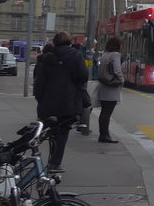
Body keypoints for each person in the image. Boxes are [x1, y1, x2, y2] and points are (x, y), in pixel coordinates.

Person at [32, 32, 88, 172]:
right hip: (68, 101)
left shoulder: (47, 58)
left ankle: (52, 158)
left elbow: (40, 82)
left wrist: (40, 99)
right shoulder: (76, 55)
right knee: (63, 132)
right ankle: (55, 163)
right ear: (69, 42)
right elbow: (83, 76)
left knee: (52, 130)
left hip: (49, 101)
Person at [94, 35, 124, 143]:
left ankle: (103, 134)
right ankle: (104, 135)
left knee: (104, 112)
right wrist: (121, 80)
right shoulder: (116, 55)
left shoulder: (105, 55)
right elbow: (117, 70)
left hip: (104, 85)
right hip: (112, 87)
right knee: (107, 113)